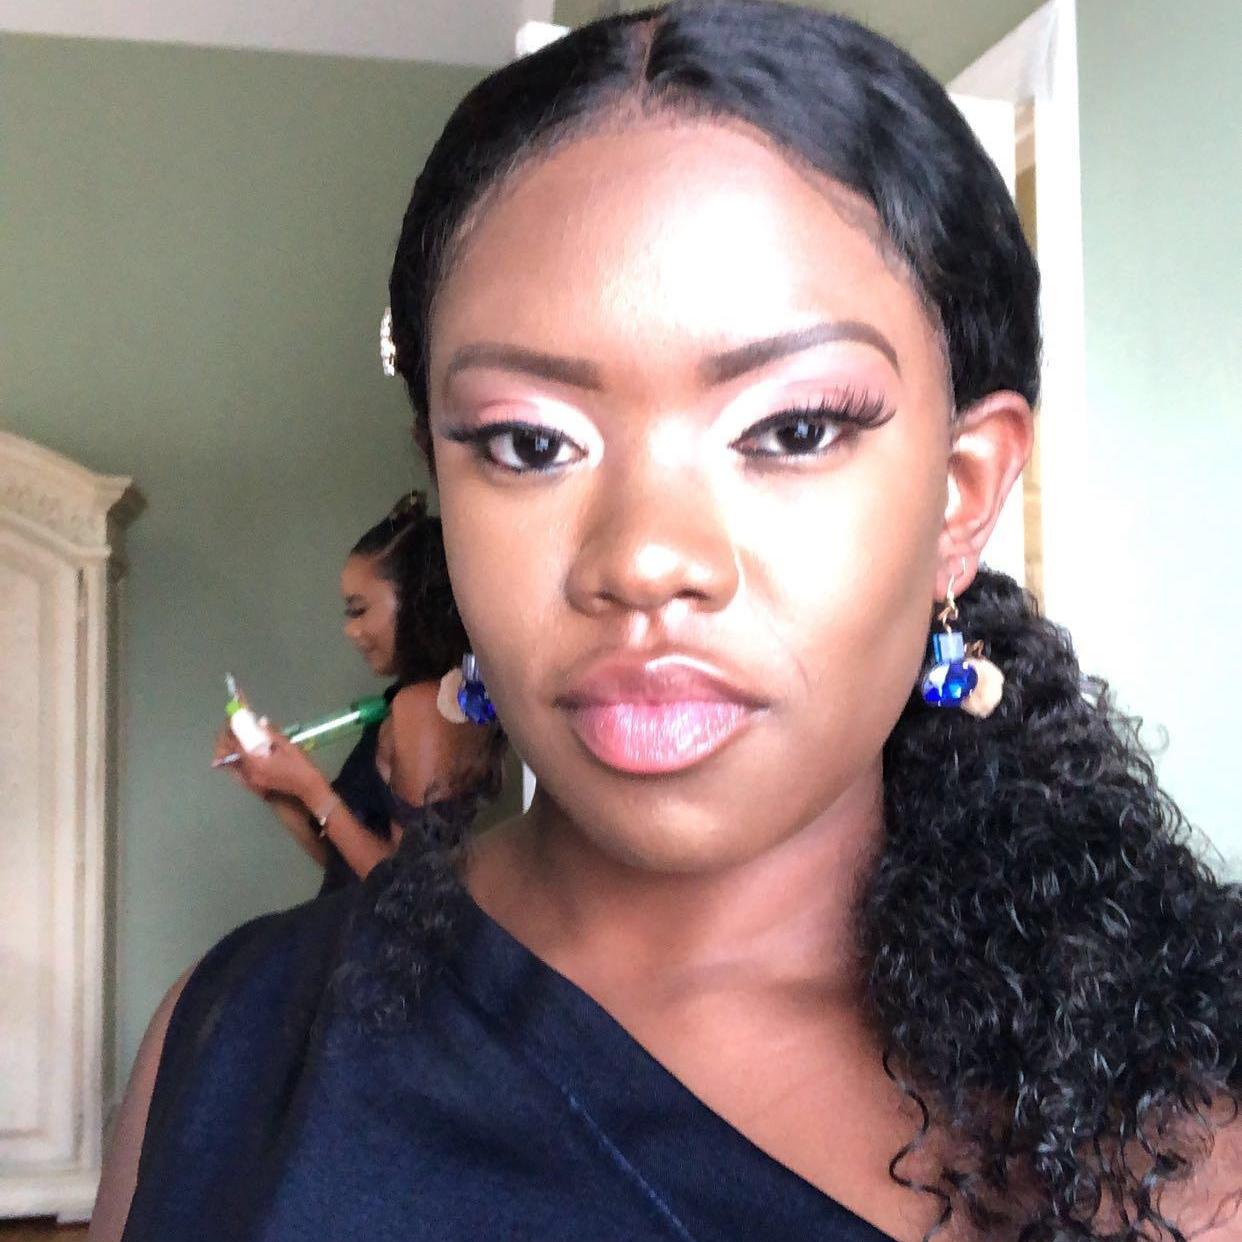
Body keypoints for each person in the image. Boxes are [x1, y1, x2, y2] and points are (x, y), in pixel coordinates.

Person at [93, 5, 1241, 1241]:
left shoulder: (1184, 1134)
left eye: (792, 430)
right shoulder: (229, 1049)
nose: (643, 561)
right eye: (530, 444)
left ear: (961, 496)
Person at [212, 493, 501, 892]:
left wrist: (310, 786)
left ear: (416, 602)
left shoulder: (424, 707)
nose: (350, 630)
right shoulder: (418, 700)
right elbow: (347, 867)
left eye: (359, 609)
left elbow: (407, 890)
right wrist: (274, 786)